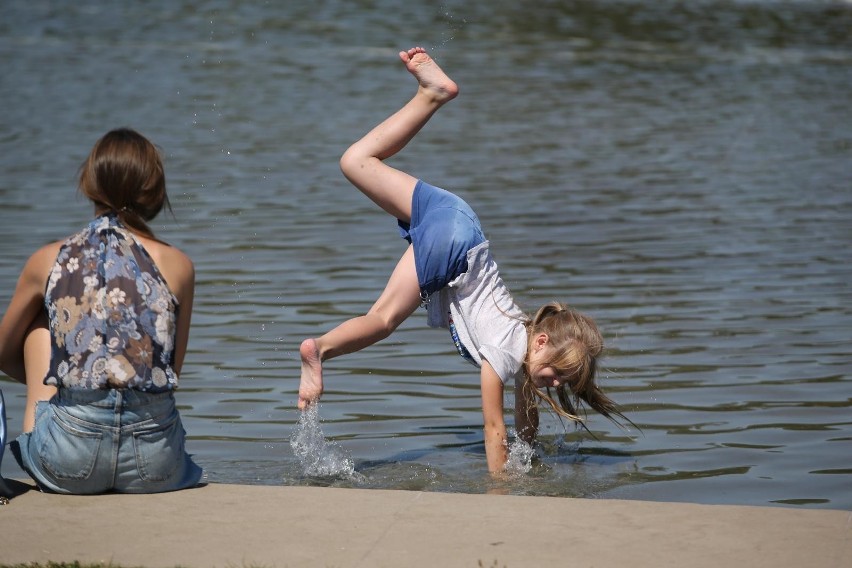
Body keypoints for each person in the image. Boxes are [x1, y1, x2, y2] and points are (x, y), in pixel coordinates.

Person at [299, 47, 631, 474]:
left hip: (457, 219)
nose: (554, 384)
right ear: (542, 343)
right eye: (555, 375)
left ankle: (432, 94)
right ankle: (320, 349)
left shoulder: (525, 341)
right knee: (381, 320)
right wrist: (501, 491)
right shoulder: (507, 354)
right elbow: (494, 429)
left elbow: (523, 420)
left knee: (356, 161)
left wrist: (528, 454)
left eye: (560, 382)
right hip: (455, 244)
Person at [0, 128, 203, 494]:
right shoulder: (179, 265)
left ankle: (48, 418)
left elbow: (2, 352)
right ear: (154, 192)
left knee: (39, 324)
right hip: (157, 463)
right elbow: (171, 370)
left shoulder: (47, 260)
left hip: (68, 459)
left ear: (89, 184)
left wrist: (65, 376)